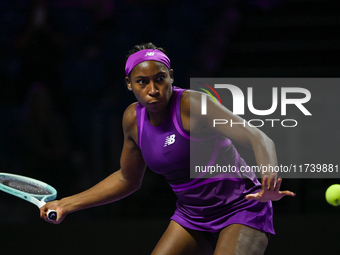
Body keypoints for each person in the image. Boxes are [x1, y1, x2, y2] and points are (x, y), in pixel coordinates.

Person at [40, 42, 295, 255]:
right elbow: (126, 179)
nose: (153, 90)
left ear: (171, 76)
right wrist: (66, 204)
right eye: (142, 82)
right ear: (129, 84)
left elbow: (258, 137)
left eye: (160, 79)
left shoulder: (194, 105)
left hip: (242, 207)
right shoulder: (132, 120)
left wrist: (268, 181)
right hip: (192, 215)